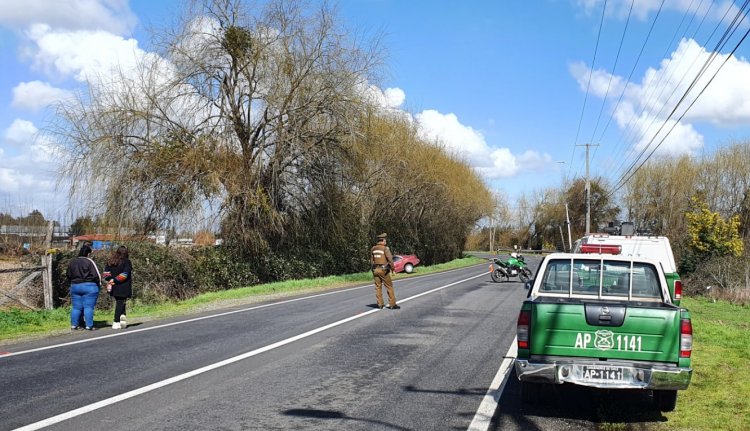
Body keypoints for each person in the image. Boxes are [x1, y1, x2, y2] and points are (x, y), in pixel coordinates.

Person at [67, 244, 102, 330]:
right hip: (89, 286)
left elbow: (68, 274)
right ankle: (89, 325)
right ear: (88, 254)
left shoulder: (72, 262)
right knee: (88, 307)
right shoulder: (89, 262)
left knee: (76, 307)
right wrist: (99, 285)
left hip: (75, 286)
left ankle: (74, 325)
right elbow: (96, 275)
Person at [103, 245, 133, 329]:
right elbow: (124, 275)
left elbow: (105, 274)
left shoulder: (111, 261)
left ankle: (122, 317)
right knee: (120, 302)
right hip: (123, 286)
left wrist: (111, 279)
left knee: (121, 302)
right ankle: (116, 321)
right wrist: (115, 280)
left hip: (114, 286)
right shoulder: (127, 262)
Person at [370, 233, 399, 309]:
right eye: (385, 240)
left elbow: (371, 261)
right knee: (389, 286)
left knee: (378, 287)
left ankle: (380, 304)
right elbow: (390, 260)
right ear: (383, 240)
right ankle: (392, 304)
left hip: (375, 270)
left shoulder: (373, 248)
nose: (386, 241)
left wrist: (372, 270)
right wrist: (393, 269)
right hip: (384, 270)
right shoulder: (385, 248)